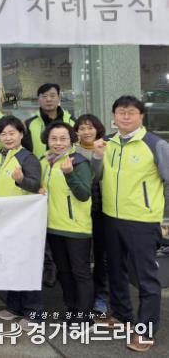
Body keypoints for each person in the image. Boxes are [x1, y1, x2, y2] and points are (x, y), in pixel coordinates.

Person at [92, 96, 169, 352]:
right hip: (111, 217)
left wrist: (161, 214)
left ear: (141, 116)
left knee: (146, 277)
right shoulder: (107, 142)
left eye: (131, 112)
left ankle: (145, 330)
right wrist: (97, 157)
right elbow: (97, 176)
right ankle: (121, 314)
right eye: (120, 112)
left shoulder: (155, 144)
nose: (125, 117)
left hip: (142, 220)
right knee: (115, 269)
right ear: (113, 116)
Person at [0, 116, 42, 332]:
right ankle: (14, 307)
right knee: (11, 264)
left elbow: (35, 185)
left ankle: (34, 312)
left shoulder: (27, 158)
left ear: (21, 134)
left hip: (22, 221)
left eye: (12, 133)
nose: (8, 137)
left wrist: (21, 180)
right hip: (1, 221)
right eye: (3, 134)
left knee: (26, 265)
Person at [40, 121, 93, 323]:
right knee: (64, 272)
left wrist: (69, 174)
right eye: (54, 138)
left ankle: (85, 317)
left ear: (72, 140)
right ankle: (72, 310)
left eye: (63, 139)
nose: (58, 143)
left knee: (80, 273)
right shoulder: (46, 162)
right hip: (54, 227)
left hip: (76, 229)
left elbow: (84, 194)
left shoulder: (79, 162)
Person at [22, 83, 75, 288]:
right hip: (41, 177)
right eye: (44, 96)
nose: (49, 99)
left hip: (66, 176)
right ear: (38, 99)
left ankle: (65, 269)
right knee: (42, 226)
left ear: (59, 97)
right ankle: (49, 267)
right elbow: (25, 151)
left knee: (62, 221)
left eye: (52, 95)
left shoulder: (71, 120)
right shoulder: (30, 124)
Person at [74, 114, 108, 315]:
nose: (86, 132)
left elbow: (100, 175)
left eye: (90, 127)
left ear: (98, 129)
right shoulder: (72, 152)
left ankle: (101, 295)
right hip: (79, 210)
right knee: (82, 256)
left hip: (102, 209)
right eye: (82, 128)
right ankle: (82, 297)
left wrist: (98, 155)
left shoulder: (106, 148)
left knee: (102, 254)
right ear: (76, 132)